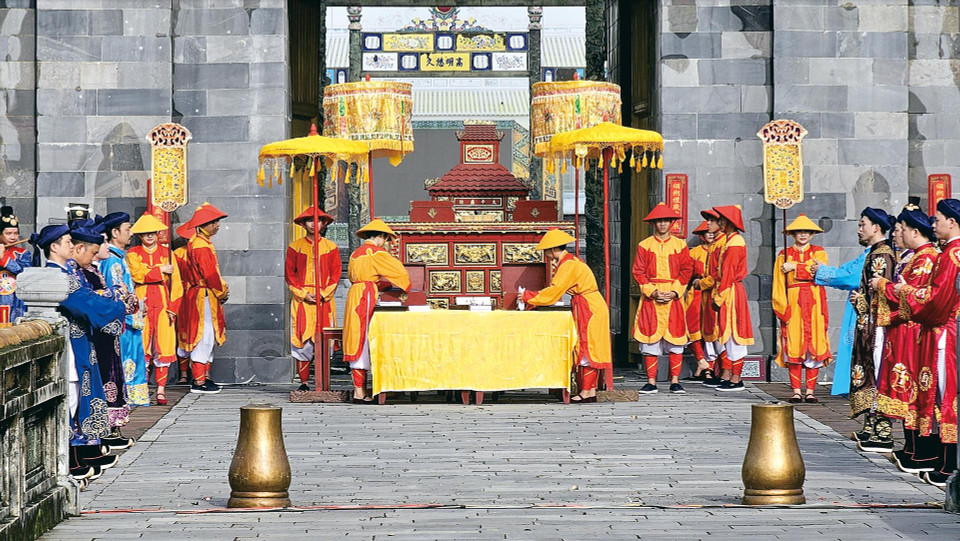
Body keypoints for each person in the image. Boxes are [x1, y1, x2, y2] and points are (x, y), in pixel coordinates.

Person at [31, 223, 126, 481]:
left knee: (74, 401)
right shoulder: (56, 277)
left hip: (79, 343)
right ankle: (66, 463)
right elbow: (86, 304)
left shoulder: (65, 274)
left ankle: (74, 458)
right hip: (72, 347)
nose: (72, 245)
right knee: (70, 401)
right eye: (66, 242)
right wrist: (118, 303)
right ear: (54, 247)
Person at [885, 199, 960, 486]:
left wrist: (905, 291)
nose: (934, 224)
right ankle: (942, 461)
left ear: (951, 222)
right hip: (942, 331)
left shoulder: (951, 254)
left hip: (945, 333)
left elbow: (936, 301)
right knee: (939, 396)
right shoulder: (948, 252)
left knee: (945, 397)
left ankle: (948, 464)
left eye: (938, 218)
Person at [871, 206, 939, 473]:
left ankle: (921, 450)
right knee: (905, 387)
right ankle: (911, 447)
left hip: (913, 331)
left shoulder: (927, 259)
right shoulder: (914, 258)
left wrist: (882, 287)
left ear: (913, 231)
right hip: (903, 331)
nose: (897, 234)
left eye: (900, 229)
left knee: (913, 388)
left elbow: (912, 298)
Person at [522, 229, 612, 403]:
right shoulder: (569, 262)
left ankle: (586, 391)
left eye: (546, 250)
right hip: (590, 304)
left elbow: (555, 291)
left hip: (588, 307)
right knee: (591, 346)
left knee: (587, 347)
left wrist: (528, 296)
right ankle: (590, 390)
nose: (545, 254)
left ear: (553, 249)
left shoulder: (568, 264)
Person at [77, 218, 135, 450]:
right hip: (95, 333)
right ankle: (94, 438)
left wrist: (117, 298)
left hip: (107, 332)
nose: (103, 249)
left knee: (111, 379)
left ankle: (107, 431)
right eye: (99, 244)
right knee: (99, 382)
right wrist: (116, 298)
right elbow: (97, 300)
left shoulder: (94, 269)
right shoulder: (87, 271)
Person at [343, 219, 410, 403]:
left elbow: (354, 276)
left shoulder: (356, 253)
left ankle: (360, 389)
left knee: (355, 337)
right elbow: (400, 272)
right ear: (381, 237)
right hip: (365, 296)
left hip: (355, 294)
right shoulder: (376, 252)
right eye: (386, 239)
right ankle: (359, 392)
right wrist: (399, 285)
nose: (385, 243)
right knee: (364, 338)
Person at [849, 207, 897, 452]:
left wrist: (859, 300)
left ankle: (882, 430)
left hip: (876, 325)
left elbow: (881, 296)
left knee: (876, 371)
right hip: (868, 323)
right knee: (868, 370)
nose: (860, 229)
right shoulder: (875, 253)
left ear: (875, 227)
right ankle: (871, 426)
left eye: (862, 224)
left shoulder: (882, 255)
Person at [631, 203, 693, 394]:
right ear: (654, 224)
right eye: (659, 221)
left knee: (675, 339)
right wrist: (652, 291)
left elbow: (686, 270)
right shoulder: (644, 245)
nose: (663, 224)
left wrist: (675, 291)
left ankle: (675, 381)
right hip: (652, 297)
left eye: (666, 221)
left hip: (673, 297)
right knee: (650, 339)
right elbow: (638, 271)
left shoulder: (680, 245)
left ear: (671, 223)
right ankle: (651, 381)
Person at [772, 214, 831, 403]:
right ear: (793, 234)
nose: (803, 234)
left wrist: (794, 267)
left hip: (814, 303)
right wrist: (782, 307)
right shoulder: (783, 254)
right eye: (799, 231)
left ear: (812, 234)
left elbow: (819, 272)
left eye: (807, 231)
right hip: (794, 302)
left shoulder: (819, 252)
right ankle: (796, 390)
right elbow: (778, 284)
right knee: (794, 346)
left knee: (815, 344)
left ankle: (810, 391)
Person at [127, 214, 183, 406]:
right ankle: (140, 387)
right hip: (141, 300)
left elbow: (177, 284)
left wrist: (173, 308)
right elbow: (137, 274)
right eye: (145, 234)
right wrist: (160, 270)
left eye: (152, 233)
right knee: (142, 345)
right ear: (139, 236)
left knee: (163, 346)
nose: (149, 236)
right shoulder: (133, 253)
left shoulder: (168, 253)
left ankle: (160, 389)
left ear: (158, 234)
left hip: (163, 302)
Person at [285, 207, 341, 391]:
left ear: (323, 224)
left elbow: (335, 275)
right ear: (303, 224)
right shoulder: (295, 247)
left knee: (324, 340)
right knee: (302, 340)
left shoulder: (331, 247)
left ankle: (322, 382)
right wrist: (303, 294)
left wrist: (323, 294)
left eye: (317, 221)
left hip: (324, 301)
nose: (313, 224)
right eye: (309, 220)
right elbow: (289, 275)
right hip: (302, 301)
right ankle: (304, 382)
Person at [98, 211, 149, 408]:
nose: (131, 233)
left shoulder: (118, 258)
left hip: (129, 320)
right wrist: (133, 310)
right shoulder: (112, 260)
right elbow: (116, 296)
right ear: (115, 232)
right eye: (127, 230)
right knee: (125, 366)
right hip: (124, 324)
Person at [179, 203, 228, 394]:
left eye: (216, 221)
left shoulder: (201, 242)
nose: (217, 225)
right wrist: (221, 292)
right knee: (204, 334)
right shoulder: (200, 244)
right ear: (203, 224)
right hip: (203, 295)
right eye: (213, 222)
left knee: (208, 334)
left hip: (205, 294)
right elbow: (210, 275)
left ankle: (204, 377)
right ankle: (199, 381)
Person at [711, 205, 754, 391]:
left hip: (731, 291)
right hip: (728, 290)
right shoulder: (729, 241)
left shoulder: (735, 242)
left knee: (735, 333)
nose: (719, 222)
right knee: (728, 334)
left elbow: (728, 272)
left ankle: (736, 378)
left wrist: (719, 296)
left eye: (722, 219)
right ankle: (730, 375)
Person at [696, 209, 727, 387]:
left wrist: (703, 283)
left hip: (719, 293)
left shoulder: (725, 243)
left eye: (711, 221)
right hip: (706, 296)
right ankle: (713, 370)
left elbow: (719, 274)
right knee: (708, 333)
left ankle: (725, 373)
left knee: (722, 333)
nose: (708, 225)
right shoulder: (715, 244)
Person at [683, 221, 713, 381]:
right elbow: (687, 274)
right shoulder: (694, 252)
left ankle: (710, 369)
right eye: (707, 232)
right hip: (696, 293)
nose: (710, 234)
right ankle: (702, 361)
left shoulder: (722, 250)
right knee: (693, 329)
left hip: (713, 293)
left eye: (713, 232)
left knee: (713, 330)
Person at [0, 205, 30, 328]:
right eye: (8, 233)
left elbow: (25, 272)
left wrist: (4, 259)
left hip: (15, 300)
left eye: (15, 233)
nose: (13, 237)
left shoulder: (22, 253)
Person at [172, 230, 192, 385]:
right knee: (183, 331)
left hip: (194, 294)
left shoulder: (202, 249)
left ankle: (200, 372)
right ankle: (184, 373)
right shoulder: (178, 253)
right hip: (183, 294)